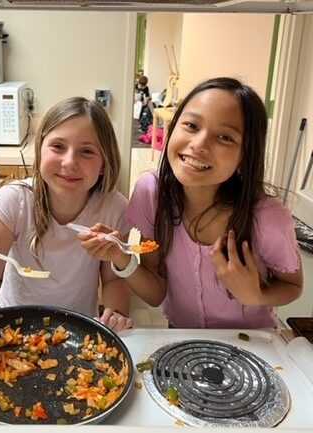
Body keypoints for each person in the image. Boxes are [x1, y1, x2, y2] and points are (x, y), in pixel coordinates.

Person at [78, 77, 303, 329]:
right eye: (191, 125)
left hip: (253, 341)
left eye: (225, 137)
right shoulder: (151, 193)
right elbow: (155, 295)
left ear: (245, 155)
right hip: (181, 337)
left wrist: (256, 296)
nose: (199, 145)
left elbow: (293, 286)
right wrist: (120, 257)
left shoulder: (267, 217)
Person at [0, 97, 133, 332]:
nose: (69, 162)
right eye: (58, 147)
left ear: (104, 163)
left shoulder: (113, 208)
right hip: (15, 327)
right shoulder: (14, 200)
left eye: (86, 151)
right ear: (40, 150)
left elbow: (114, 279)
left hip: (78, 327)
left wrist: (116, 314)